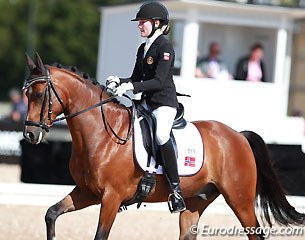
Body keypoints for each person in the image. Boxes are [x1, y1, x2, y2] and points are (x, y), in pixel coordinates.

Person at [106, 2, 186, 213]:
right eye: (139, 23)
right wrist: (119, 80)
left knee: (161, 135)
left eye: (143, 23)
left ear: (156, 23)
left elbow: (158, 81)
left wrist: (130, 86)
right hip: (145, 104)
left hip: (164, 103)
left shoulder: (165, 48)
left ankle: (176, 191)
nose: (139, 26)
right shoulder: (143, 48)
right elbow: (135, 77)